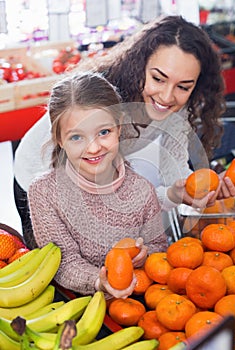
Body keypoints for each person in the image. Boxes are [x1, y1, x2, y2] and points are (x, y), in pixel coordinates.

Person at [14, 15, 235, 244]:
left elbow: (176, 175)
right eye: (158, 79)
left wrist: (204, 188)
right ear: (139, 66)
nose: (167, 96)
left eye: (183, 87)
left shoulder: (176, 111)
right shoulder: (102, 99)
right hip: (39, 173)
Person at [27, 71, 168, 298]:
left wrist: (146, 255)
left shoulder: (142, 190)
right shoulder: (45, 193)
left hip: (134, 305)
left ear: (119, 128)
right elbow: (64, 262)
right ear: (60, 140)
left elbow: (160, 246)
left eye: (104, 132)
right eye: (76, 137)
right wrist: (99, 282)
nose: (93, 148)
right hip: (78, 308)